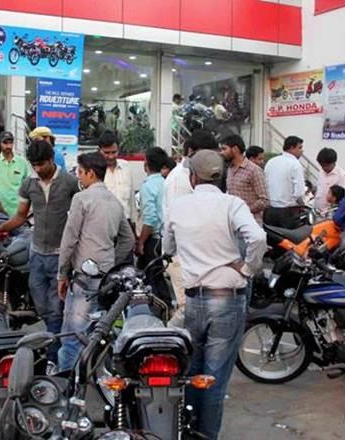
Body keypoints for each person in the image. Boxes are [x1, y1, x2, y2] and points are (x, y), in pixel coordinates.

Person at [162, 149, 266, 440]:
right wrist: (248, 269)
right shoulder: (232, 204)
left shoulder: (178, 207)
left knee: (192, 373)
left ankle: (188, 431)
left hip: (194, 300)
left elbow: (167, 247)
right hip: (227, 298)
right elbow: (258, 238)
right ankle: (206, 435)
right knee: (214, 379)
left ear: (193, 177)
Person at [0, 140, 80, 362]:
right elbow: (20, 216)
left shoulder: (70, 183)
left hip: (60, 256)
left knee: (56, 309)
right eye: (34, 165)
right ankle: (55, 343)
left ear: (51, 160)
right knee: (42, 306)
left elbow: (81, 213)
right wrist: (1, 228)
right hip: (36, 255)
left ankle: (54, 357)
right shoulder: (28, 185)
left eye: (41, 164)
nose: (37, 169)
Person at [57, 152, 134, 370]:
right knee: (100, 334)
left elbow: (69, 240)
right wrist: (110, 261)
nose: (79, 177)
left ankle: (67, 384)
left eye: (81, 172)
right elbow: (128, 240)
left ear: (91, 173)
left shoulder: (82, 199)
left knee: (72, 337)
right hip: (107, 280)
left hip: (84, 279)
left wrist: (62, 274)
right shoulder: (114, 202)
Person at [162, 130, 220, 327]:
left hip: (195, 253)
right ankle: (164, 337)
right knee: (186, 307)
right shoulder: (181, 177)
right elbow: (176, 221)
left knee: (197, 307)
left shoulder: (198, 175)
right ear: (191, 152)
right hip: (181, 254)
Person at [136, 147, 170, 304]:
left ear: (146, 164)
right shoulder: (166, 183)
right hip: (165, 237)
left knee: (151, 279)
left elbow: (150, 220)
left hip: (153, 240)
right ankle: (165, 306)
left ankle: (158, 309)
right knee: (157, 276)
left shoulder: (148, 186)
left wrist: (141, 242)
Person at [220, 134, 269, 225]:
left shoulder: (253, 170)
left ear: (235, 149)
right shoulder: (230, 169)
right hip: (233, 223)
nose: (221, 153)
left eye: (224, 149)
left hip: (251, 224)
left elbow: (264, 200)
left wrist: (245, 211)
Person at [264, 136, 306, 228]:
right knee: (288, 236)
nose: (302, 151)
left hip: (270, 210)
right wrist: (299, 203)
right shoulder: (295, 164)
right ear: (291, 148)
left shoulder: (271, 162)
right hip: (288, 211)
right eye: (299, 148)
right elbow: (299, 192)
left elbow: (265, 184)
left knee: (271, 236)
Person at [98, 131, 137, 225]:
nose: (111, 156)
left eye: (114, 152)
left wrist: (134, 222)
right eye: (106, 153)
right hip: (103, 224)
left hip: (125, 222)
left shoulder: (126, 167)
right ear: (99, 150)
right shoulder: (94, 171)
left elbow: (131, 199)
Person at [0, 131, 30, 217]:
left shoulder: (22, 162)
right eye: (5, 143)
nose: (8, 146)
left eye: (10, 143)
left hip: (18, 210)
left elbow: (29, 184)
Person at [315, 147, 345, 212]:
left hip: (330, 212)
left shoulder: (342, 175)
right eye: (322, 166)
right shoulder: (321, 172)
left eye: (327, 166)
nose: (324, 168)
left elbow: (343, 197)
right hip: (317, 210)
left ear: (333, 162)